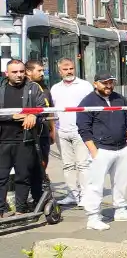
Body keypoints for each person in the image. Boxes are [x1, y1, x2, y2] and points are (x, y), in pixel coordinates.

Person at [75, 73, 127, 231]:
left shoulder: (120, 98)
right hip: (101, 150)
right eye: (105, 83)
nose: (109, 86)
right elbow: (84, 129)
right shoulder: (88, 102)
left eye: (111, 83)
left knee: (121, 182)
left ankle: (121, 210)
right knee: (95, 185)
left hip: (123, 148)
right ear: (95, 83)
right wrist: (94, 152)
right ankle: (93, 217)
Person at [0, 60, 48, 216]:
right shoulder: (1, 88)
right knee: (1, 178)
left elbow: (44, 108)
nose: (19, 75)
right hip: (3, 140)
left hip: (25, 140)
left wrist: (33, 114)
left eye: (21, 71)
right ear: (7, 73)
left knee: (23, 176)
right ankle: (1, 210)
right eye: (14, 72)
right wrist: (13, 116)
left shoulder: (33, 88)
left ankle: (20, 210)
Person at [49, 58, 93, 207]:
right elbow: (52, 111)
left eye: (71, 69)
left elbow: (93, 107)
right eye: (65, 69)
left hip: (81, 131)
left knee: (83, 165)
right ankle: (72, 194)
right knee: (68, 165)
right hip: (62, 132)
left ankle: (86, 196)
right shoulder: (55, 88)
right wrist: (53, 130)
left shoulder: (85, 86)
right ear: (59, 71)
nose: (69, 72)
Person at [24, 59, 53, 209]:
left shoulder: (44, 87)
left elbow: (49, 110)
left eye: (43, 71)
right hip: (30, 134)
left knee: (41, 166)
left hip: (43, 133)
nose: (42, 73)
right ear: (29, 72)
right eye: (39, 71)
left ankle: (38, 197)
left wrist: (52, 130)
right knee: (30, 166)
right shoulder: (28, 88)